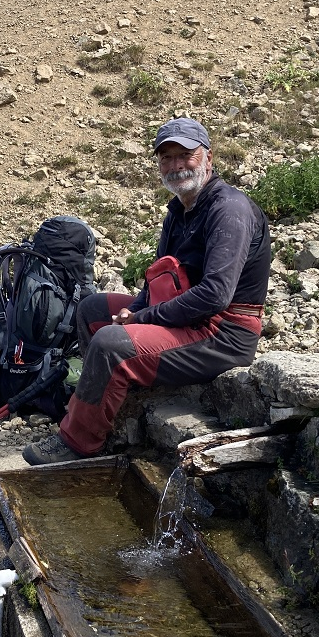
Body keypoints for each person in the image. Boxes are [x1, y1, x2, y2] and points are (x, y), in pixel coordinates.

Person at [22, 117, 272, 466]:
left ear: (208, 157)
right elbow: (158, 277)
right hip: (188, 319)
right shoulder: (180, 211)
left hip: (223, 333)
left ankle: (78, 441)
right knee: (92, 310)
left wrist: (143, 317)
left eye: (185, 155)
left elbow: (215, 296)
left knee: (111, 343)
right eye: (166, 157)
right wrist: (136, 308)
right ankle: (102, 407)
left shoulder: (228, 210)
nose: (176, 165)